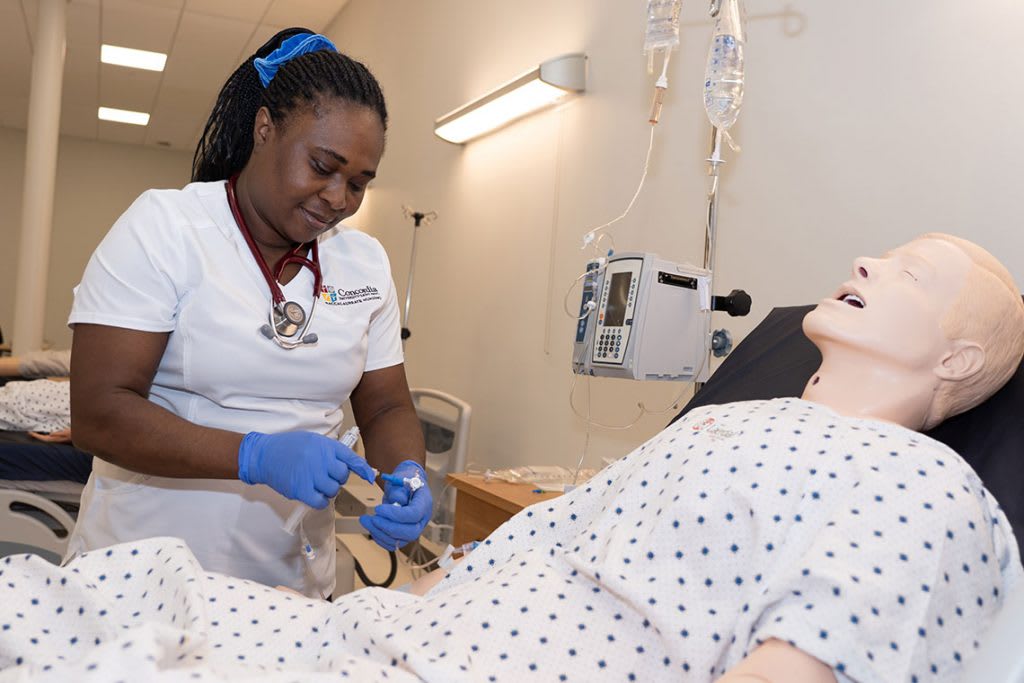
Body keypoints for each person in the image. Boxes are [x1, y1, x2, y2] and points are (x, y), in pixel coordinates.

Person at [2, 234, 1021, 682]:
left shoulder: (922, 483)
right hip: (385, 629)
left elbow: (804, 661)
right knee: (86, 603)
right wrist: (424, 574)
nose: (861, 262)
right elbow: (527, 536)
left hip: (502, 666)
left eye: (908, 269)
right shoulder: (716, 425)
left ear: (961, 354)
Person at [64, 28, 432, 598]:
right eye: (322, 166)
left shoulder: (363, 262)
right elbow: (99, 412)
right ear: (265, 129)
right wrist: (253, 454)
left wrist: (408, 473)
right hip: (143, 576)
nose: (339, 198)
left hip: (289, 586)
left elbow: (385, 406)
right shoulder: (167, 229)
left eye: (359, 183)